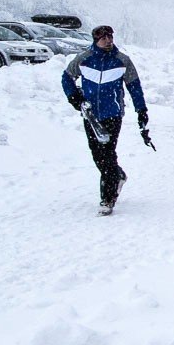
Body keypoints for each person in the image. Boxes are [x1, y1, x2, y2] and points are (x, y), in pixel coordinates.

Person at [60, 24, 148, 216]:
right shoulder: (84, 59)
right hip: (90, 114)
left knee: (107, 153)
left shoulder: (122, 61)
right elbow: (66, 78)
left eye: (110, 37)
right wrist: (74, 98)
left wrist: (141, 110)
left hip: (113, 114)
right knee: (97, 154)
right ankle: (117, 175)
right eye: (104, 38)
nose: (108, 40)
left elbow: (134, 86)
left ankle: (107, 198)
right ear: (96, 40)